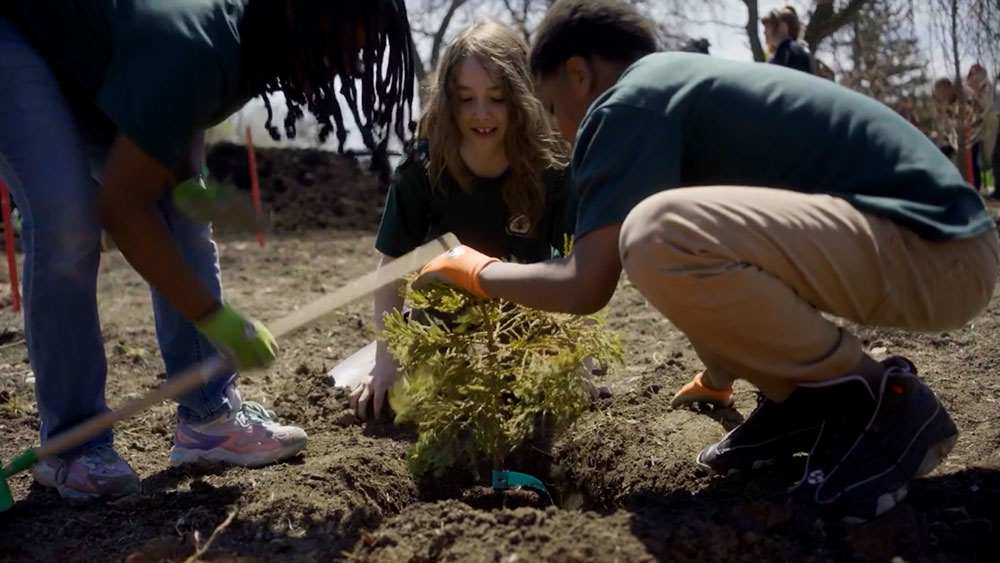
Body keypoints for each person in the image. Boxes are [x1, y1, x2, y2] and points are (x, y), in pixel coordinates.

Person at [415, 0, 998, 523]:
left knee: (650, 233)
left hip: (935, 249)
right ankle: (797, 402)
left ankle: (875, 401)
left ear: (578, 72)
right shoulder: (680, 95)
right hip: (940, 249)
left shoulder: (628, 102)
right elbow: (728, 262)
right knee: (661, 231)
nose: (562, 134)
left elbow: (586, 285)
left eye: (551, 108)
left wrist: (475, 269)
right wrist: (721, 375)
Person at [0, 0, 415, 501]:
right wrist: (215, 317)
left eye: (360, 54)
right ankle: (72, 445)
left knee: (185, 218)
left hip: (100, 53)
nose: (347, 68)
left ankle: (208, 418)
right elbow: (120, 208)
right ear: (296, 18)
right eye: (338, 51)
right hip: (17, 31)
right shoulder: (199, 47)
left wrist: (186, 188)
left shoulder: (247, 47)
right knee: (69, 220)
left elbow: (169, 110)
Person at [348, 19, 576, 421]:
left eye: (497, 98)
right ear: (446, 101)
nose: (481, 114)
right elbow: (392, 268)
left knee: (539, 407)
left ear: (522, 97)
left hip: (527, 312)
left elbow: (577, 266)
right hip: (440, 317)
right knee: (417, 406)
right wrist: (387, 362)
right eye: (465, 98)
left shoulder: (552, 166)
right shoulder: (423, 166)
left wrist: (580, 359)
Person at [762, 5, 814, 75]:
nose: (764, 32)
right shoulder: (781, 52)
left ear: (783, 26)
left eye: (768, 27)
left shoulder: (791, 51)